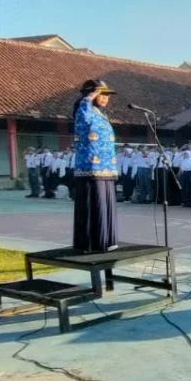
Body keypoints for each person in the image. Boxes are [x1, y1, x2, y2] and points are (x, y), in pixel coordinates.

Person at [72, 79, 120, 252]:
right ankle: (93, 243)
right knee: (95, 204)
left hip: (106, 167)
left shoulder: (100, 113)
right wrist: (87, 98)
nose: (106, 97)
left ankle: (107, 240)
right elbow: (84, 122)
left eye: (108, 95)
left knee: (106, 204)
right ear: (91, 94)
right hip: (91, 167)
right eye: (102, 94)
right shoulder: (83, 109)